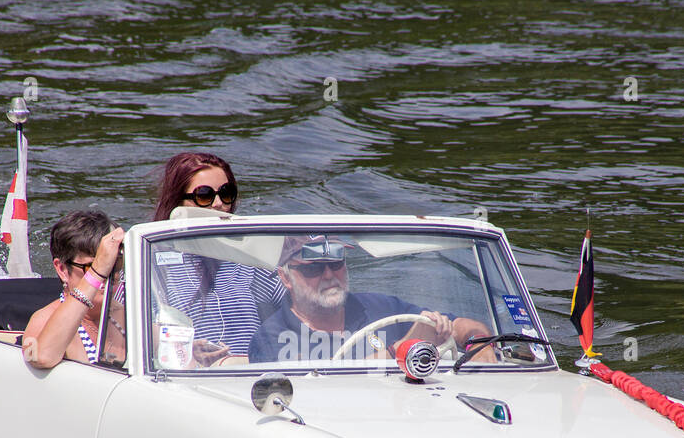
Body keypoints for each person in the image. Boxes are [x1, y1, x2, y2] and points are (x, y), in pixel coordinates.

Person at [248, 235, 494, 364]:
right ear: (285, 277)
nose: (328, 275)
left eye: (336, 264)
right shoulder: (270, 338)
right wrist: (400, 350)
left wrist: (479, 345)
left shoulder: (383, 308)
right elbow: (321, 385)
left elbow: (463, 325)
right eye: (313, 269)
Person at [152, 152, 285, 364]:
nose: (218, 204)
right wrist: (183, 348)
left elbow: (296, 310)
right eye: (204, 195)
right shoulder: (152, 260)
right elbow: (128, 325)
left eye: (226, 193)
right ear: (179, 201)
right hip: (188, 380)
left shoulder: (251, 260)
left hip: (250, 375)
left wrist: (302, 260)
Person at [22, 210, 125, 369]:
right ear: (63, 269)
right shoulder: (43, 319)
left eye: (114, 266)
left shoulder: (127, 316)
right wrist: (96, 273)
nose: (107, 275)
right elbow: (39, 357)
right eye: (92, 266)